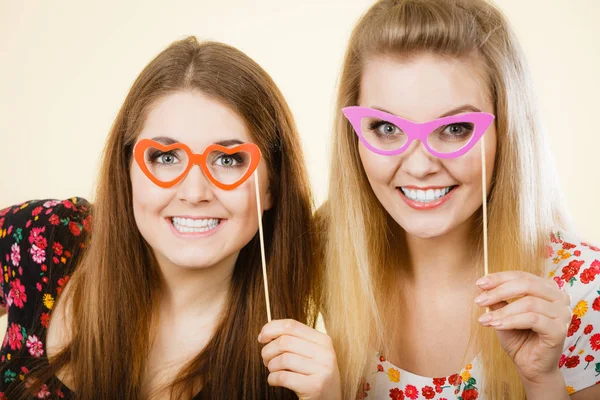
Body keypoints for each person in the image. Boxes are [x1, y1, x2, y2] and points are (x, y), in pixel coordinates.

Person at [0, 37, 340, 400]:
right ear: (126, 170)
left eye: (228, 160)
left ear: (272, 185)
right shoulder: (45, 237)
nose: (194, 193)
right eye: (165, 156)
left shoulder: (291, 370)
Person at [319, 0, 600, 399]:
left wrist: (542, 383)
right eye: (386, 127)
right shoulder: (319, 256)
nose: (419, 166)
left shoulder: (585, 291)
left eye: (455, 128)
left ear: (508, 130)